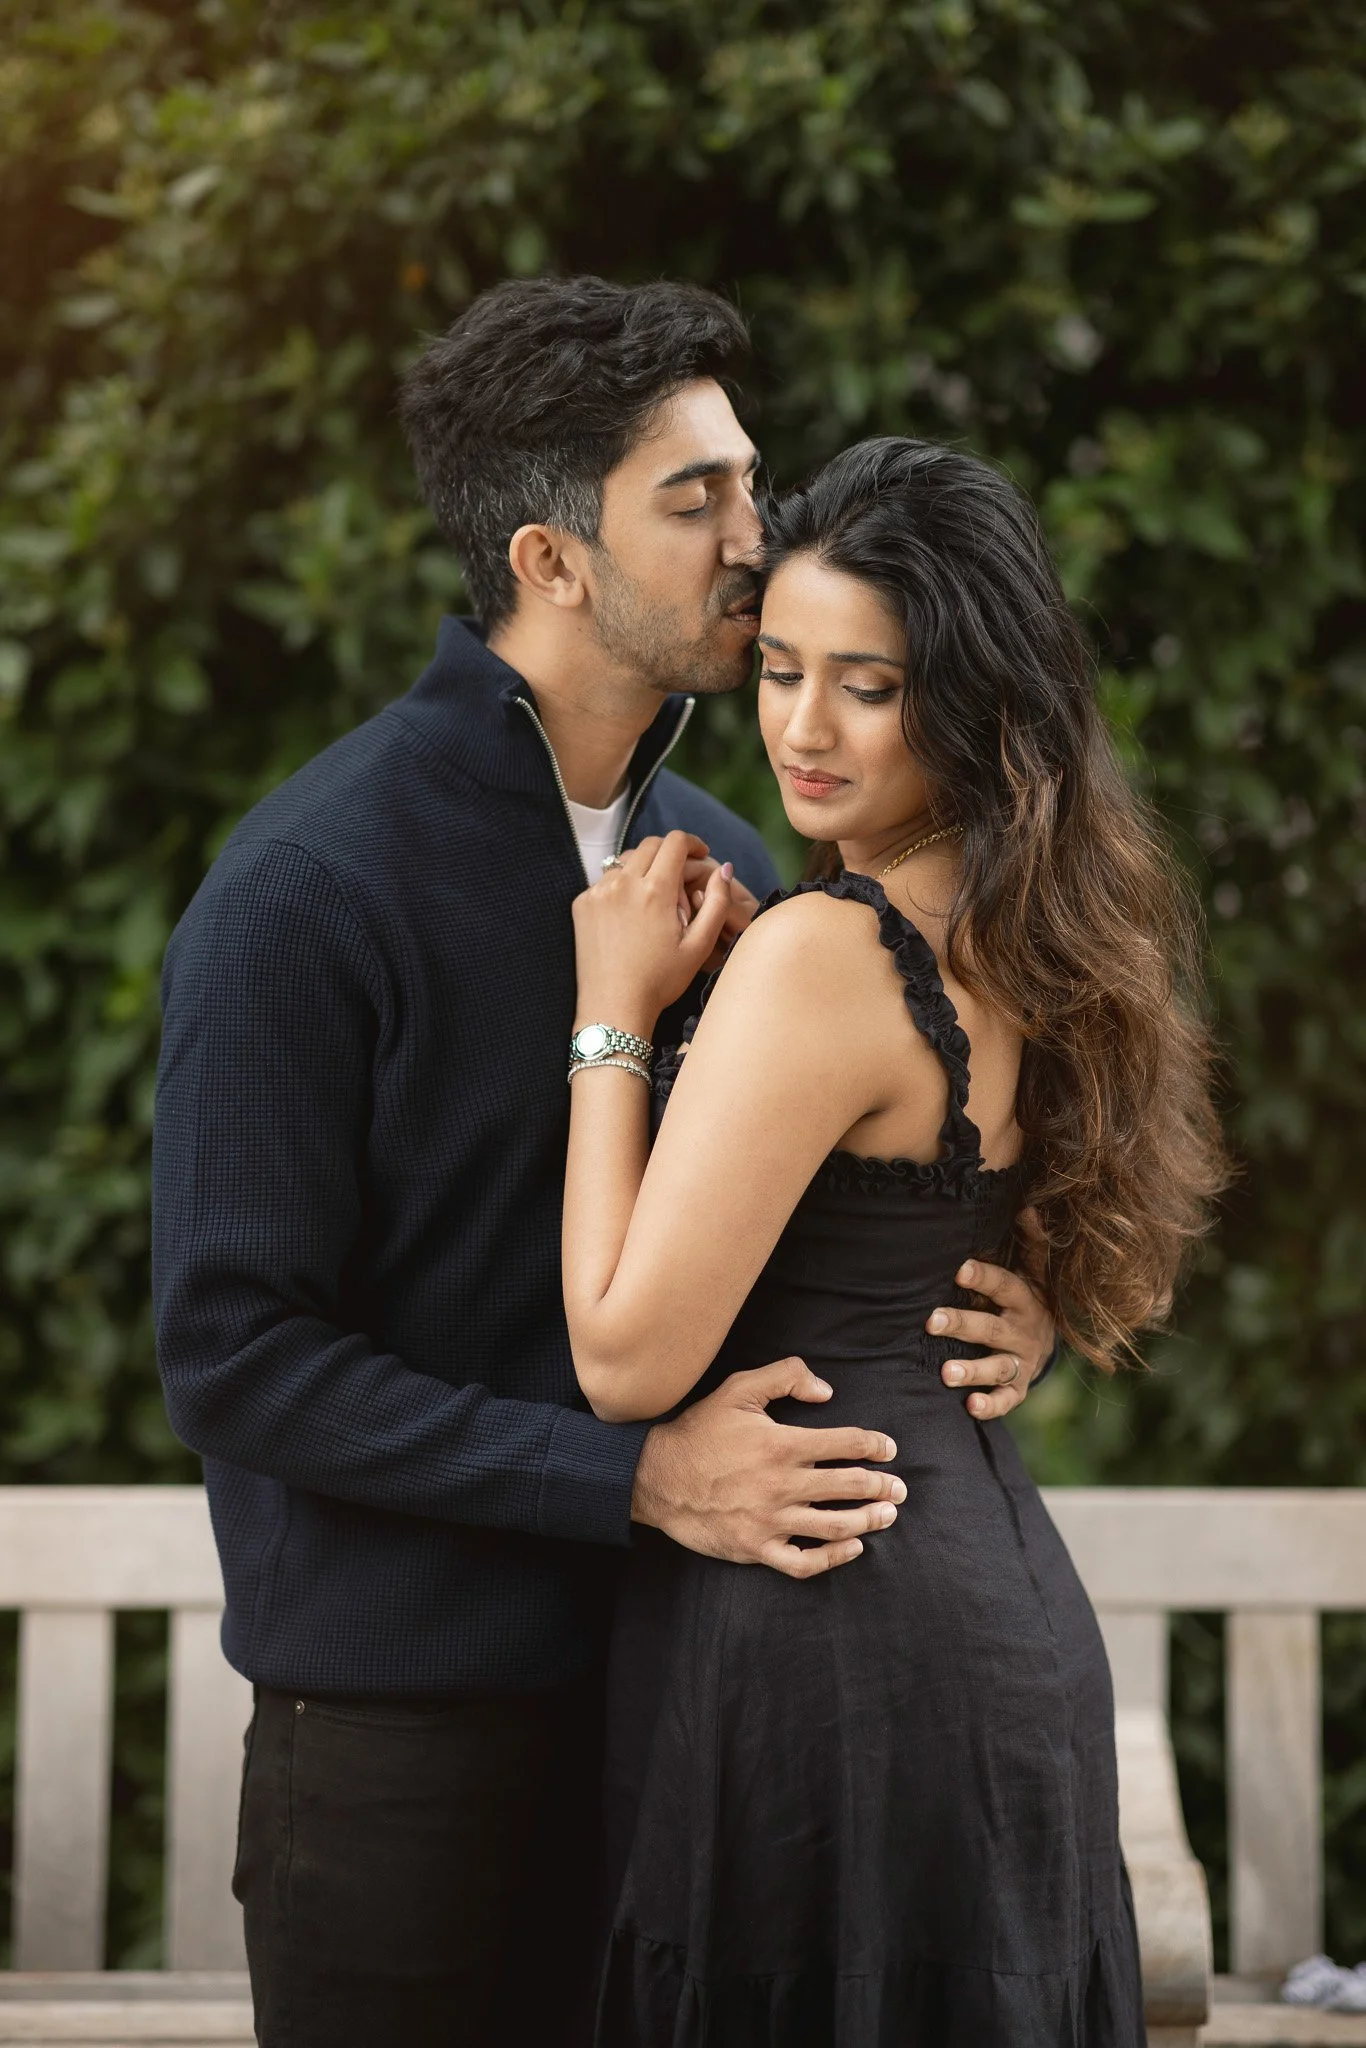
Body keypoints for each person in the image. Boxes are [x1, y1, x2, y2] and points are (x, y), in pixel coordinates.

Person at [151, 281, 1057, 2047]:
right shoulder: (303, 893)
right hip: (408, 1751)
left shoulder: (738, 866)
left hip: (709, 1712)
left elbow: (827, 1204)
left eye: (750, 480)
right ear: (549, 560)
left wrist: (1000, 1304)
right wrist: (627, 1477)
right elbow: (236, 1360)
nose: (756, 536)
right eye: (694, 500)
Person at [562, 437, 1229, 2044]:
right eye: (780, 669)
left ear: (976, 700)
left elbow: (623, 1357)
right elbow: (1002, 1246)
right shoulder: (1041, 928)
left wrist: (611, 1018)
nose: (802, 727)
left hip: (835, 1646)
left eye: (866, 687)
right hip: (987, 1622)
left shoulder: (822, 954)